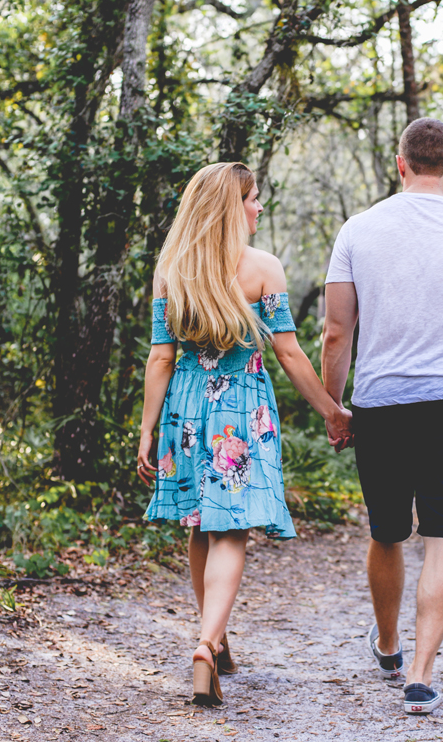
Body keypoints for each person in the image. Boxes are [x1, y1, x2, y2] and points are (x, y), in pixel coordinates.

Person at [136, 162, 352, 707]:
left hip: (184, 408)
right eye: (254, 199)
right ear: (232, 205)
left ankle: (218, 636)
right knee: (229, 529)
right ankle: (208, 643)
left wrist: (146, 432)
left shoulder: (171, 271)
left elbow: (161, 358)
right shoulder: (263, 270)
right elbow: (288, 353)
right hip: (240, 407)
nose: (260, 207)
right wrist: (332, 409)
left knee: (197, 523)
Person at [321, 118, 443, 715]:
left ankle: (387, 646)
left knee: (386, 531)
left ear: (400, 163)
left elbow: (335, 333)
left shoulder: (358, 230)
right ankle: (423, 675)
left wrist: (335, 407)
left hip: (380, 404)